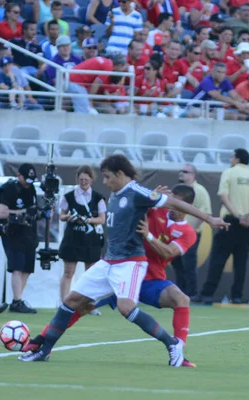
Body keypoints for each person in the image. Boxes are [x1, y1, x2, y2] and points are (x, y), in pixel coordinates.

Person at [19, 154, 229, 363]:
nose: (105, 181)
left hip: (130, 263)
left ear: (120, 174)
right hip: (108, 261)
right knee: (72, 301)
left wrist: (209, 218)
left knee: (126, 308)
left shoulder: (137, 191)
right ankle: (44, 347)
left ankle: (172, 344)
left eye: (108, 176)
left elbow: (174, 202)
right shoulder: (116, 193)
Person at [195, 148, 249, 305]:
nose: (231, 159)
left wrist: (237, 216)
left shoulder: (229, 172)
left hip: (230, 221)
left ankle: (207, 294)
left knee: (218, 258)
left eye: (232, 157)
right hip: (248, 223)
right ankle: (237, 296)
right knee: (241, 261)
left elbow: (223, 196)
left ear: (237, 159)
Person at [58, 166, 106, 303]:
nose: (83, 182)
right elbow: (61, 216)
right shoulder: (69, 196)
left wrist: (87, 220)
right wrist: (69, 217)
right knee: (68, 272)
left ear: (91, 179)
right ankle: (64, 302)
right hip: (72, 238)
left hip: (90, 240)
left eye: (86, 179)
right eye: (81, 179)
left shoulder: (98, 198)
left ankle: (88, 303)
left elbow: (102, 219)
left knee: (89, 274)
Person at [0, 163, 39, 314]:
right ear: (19, 176)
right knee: (17, 267)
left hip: (29, 233)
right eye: (26, 179)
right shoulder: (8, 189)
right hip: (13, 232)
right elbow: (2, 213)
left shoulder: (31, 188)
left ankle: (18, 300)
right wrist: (23, 211)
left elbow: (34, 209)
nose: (28, 183)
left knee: (27, 268)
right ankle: (16, 300)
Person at [171, 164, 211, 297]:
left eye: (185, 171)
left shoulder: (199, 190)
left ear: (193, 175)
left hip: (189, 233)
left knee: (189, 264)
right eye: (180, 171)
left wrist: (191, 230)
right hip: (175, 233)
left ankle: (191, 293)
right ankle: (180, 292)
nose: (181, 173)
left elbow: (205, 211)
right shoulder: (177, 191)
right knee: (177, 265)